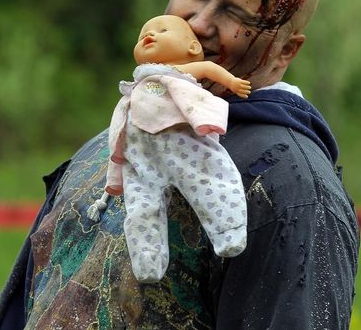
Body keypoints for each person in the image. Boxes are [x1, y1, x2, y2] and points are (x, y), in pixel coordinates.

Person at [0, 0, 360, 330]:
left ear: (285, 50)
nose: (198, 22)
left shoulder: (291, 189)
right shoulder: (127, 132)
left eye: (236, 13)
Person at [98, 15, 251, 283]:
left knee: (208, 178)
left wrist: (232, 83)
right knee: (141, 206)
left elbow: (209, 69)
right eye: (143, 34)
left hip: (181, 144)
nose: (150, 35)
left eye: (162, 30)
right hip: (141, 158)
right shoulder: (136, 86)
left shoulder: (179, 74)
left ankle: (229, 231)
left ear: (192, 47)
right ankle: (147, 259)